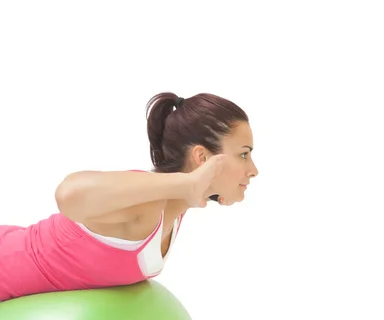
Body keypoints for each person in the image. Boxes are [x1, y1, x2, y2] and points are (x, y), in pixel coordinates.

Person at [0, 92, 258, 302]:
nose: (253, 170)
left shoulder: (174, 210)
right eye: (244, 154)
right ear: (202, 158)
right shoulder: (147, 204)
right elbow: (68, 193)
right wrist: (188, 183)